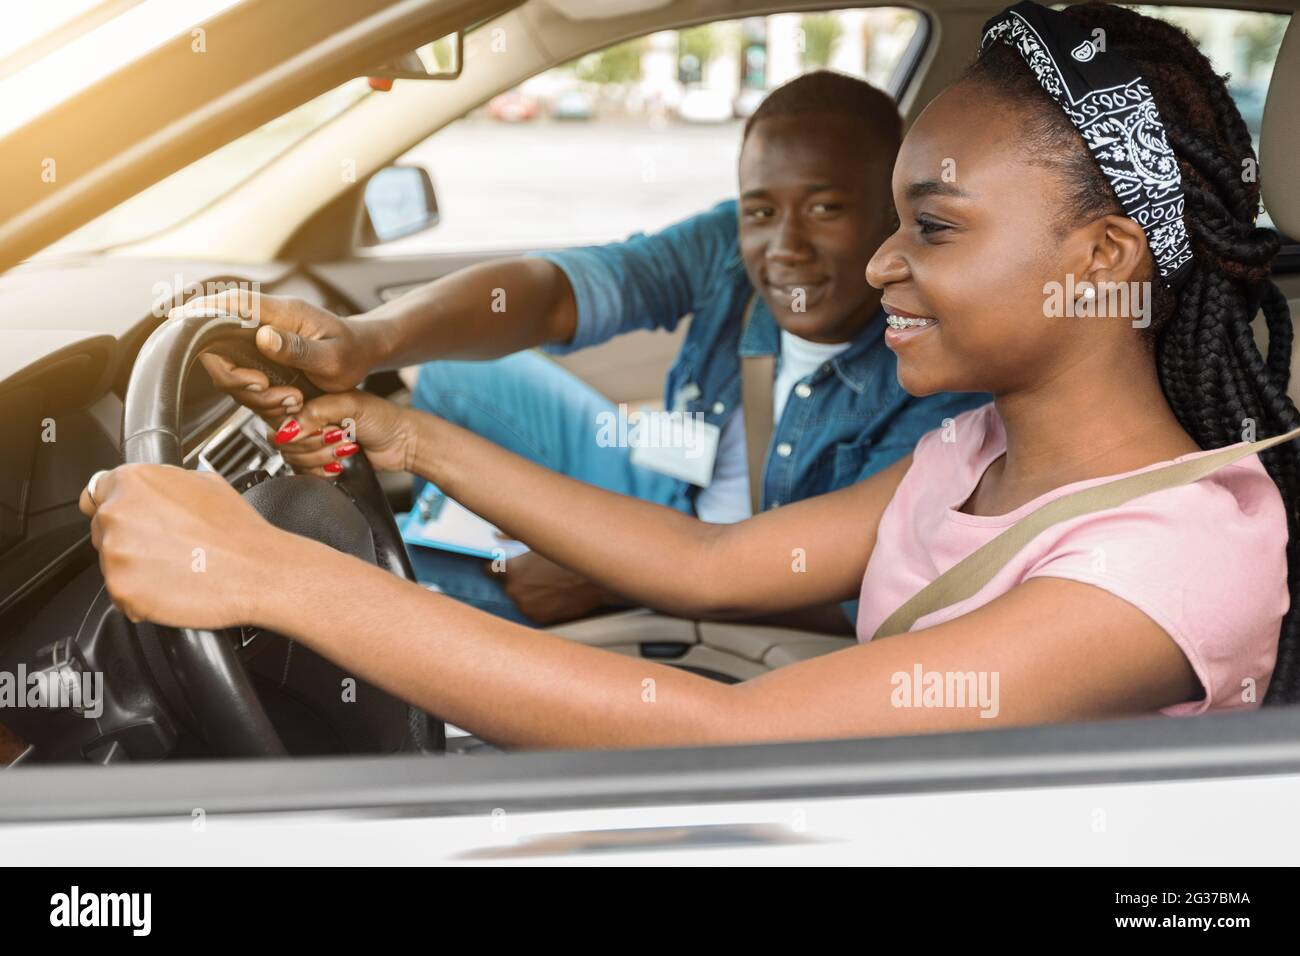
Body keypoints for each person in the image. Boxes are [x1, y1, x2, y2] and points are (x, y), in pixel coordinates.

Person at [84, 2, 1297, 750]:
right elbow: (711, 564)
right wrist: (408, 442)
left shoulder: (1169, 557)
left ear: (1102, 256)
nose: (877, 264)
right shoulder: (978, 450)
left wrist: (263, 571)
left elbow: (736, 726)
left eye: (931, 228)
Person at [194, 70, 988, 628]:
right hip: (678, 475)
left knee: (420, 585)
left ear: (893, 212)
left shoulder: (936, 380)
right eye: (760, 210)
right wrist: (369, 339)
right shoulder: (729, 244)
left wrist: (608, 580)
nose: (782, 246)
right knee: (453, 378)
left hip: (737, 566)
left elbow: (820, 592)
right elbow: (550, 293)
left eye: (825, 207)